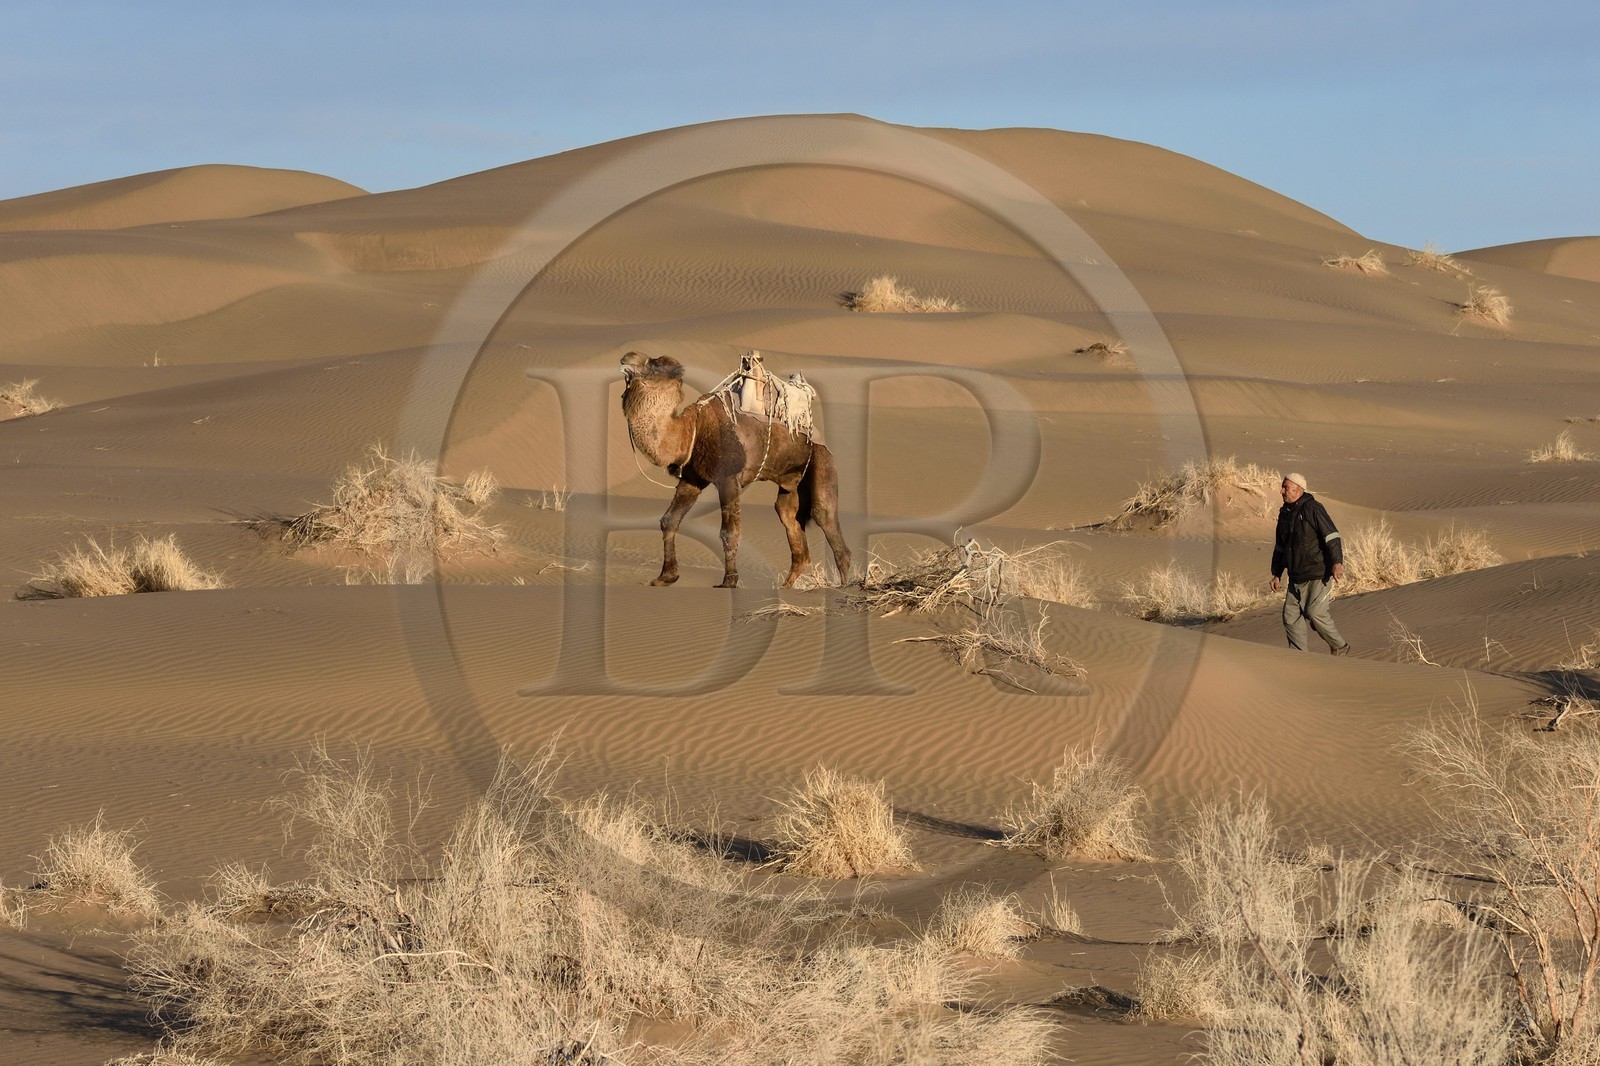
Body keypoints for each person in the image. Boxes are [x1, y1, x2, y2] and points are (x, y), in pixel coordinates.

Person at [1269, 472, 1350, 655]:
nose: (1282, 491)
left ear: (1298, 490)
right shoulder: (1284, 514)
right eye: (1283, 487)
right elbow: (1280, 547)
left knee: (1315, 613)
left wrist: (1337, 562)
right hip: (1296, 577)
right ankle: (1299, 658)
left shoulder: (1313, 508)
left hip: (1318, 574)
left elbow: (1332, 535)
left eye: (1286, 487)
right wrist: (1276, 573)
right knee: (1290, 618)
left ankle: (1340, 647)